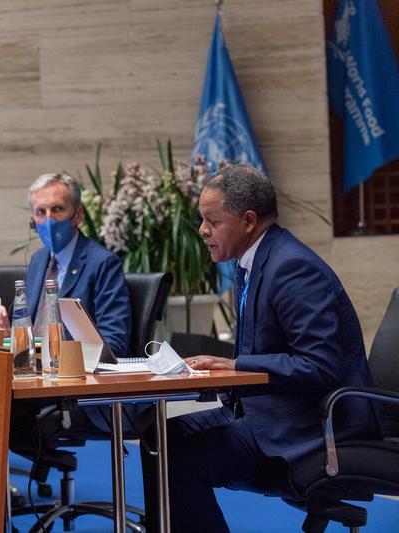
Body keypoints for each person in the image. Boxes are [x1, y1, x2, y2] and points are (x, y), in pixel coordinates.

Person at [141, 165, 379, 532]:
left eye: (212, 220)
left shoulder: (293, 268)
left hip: (310, 426)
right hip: (263, 410)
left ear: (248, 220)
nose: (202, 230)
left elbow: (321, 367)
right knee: (157, 434)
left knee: (175, 458)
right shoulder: (253, 263)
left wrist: (234, 366)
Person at [0, 172, 130, 358]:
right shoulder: (38, 260)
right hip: (32, 371)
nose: (49, 220)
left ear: (78, 215)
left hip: (74, 377)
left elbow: (114, 343)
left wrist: (56, 355)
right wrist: (8, 335)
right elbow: (30, 334)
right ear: (33, 222)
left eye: (58, 209)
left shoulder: (103, 263)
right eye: (40, 212)